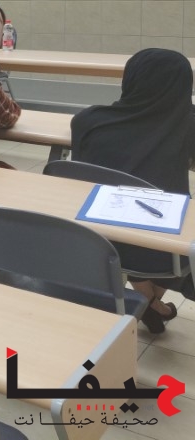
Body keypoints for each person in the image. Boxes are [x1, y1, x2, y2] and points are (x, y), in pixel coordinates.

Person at [72, 48, 195, 333]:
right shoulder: (187, 126)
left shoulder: (87, 121)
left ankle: (146, 303)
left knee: (128, 214)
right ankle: (148, 302)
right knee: (167, 220)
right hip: (163, 253)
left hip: (97, 240)